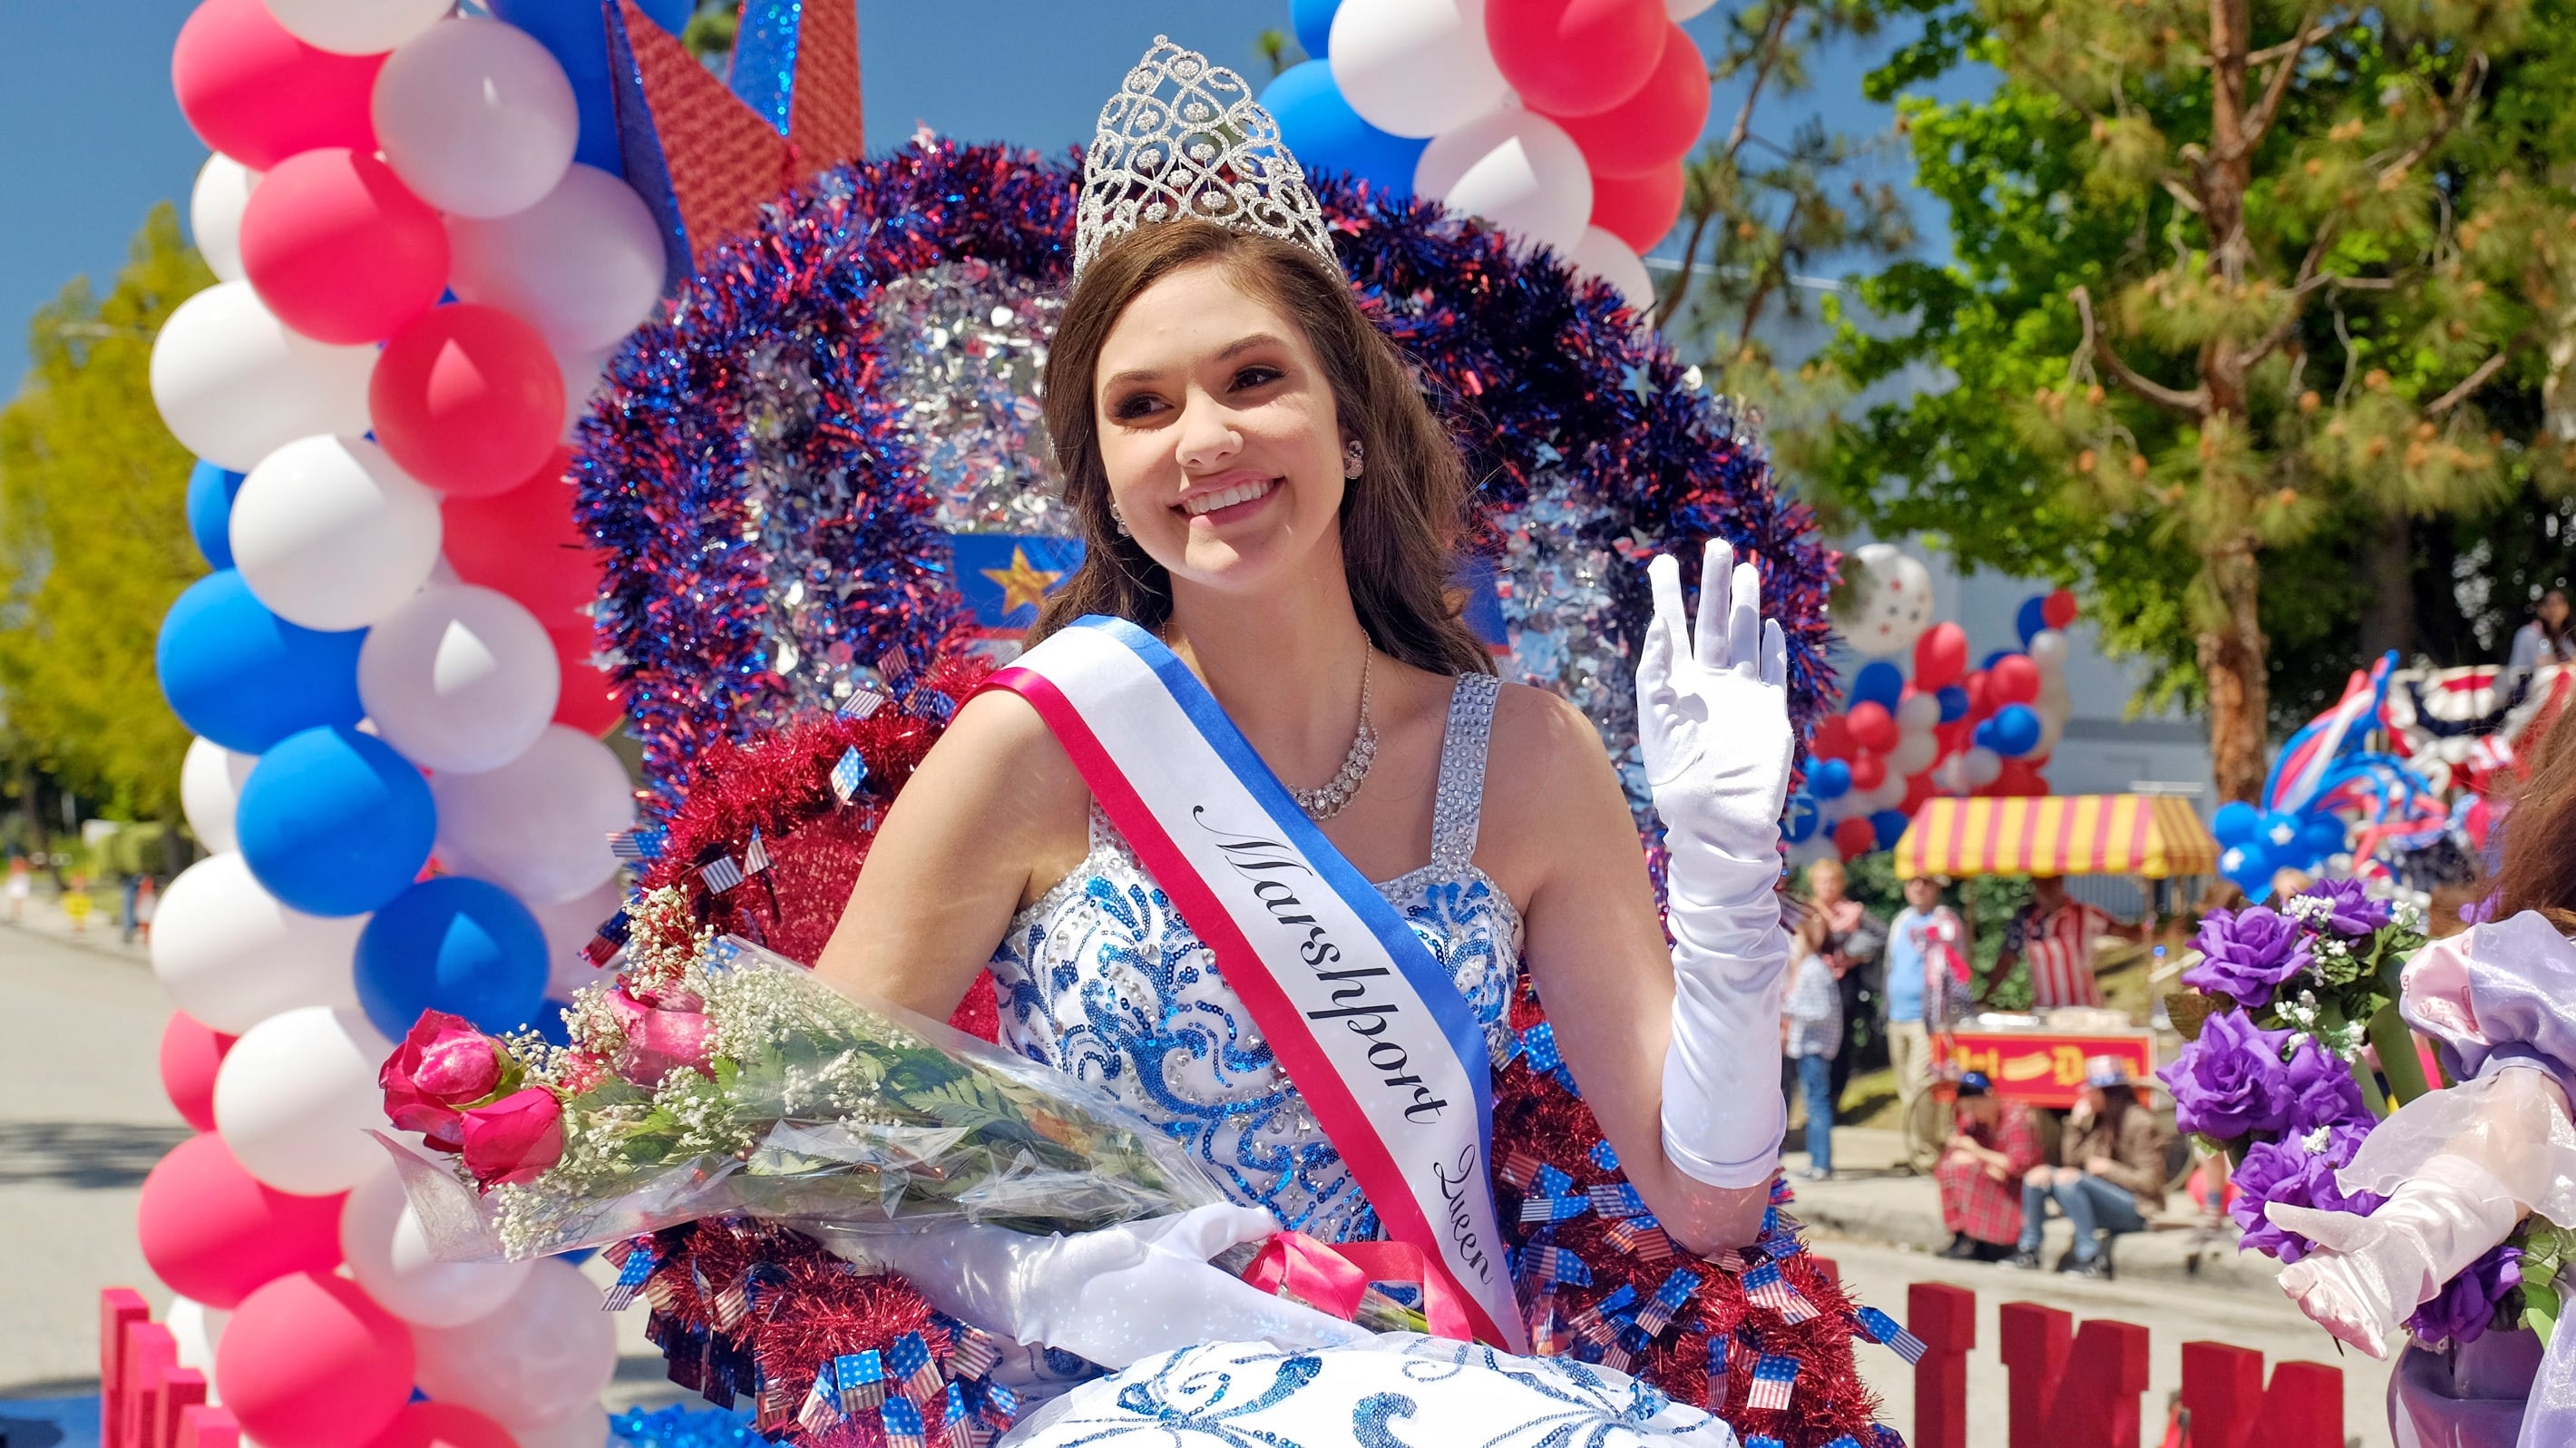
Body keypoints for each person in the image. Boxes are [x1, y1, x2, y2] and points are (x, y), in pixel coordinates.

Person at [809, 37, 1809, 1442]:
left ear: (1350, 427)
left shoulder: (1522, 756)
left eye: (1252, 378)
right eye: (1142, 407)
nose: (1203, 439)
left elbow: (1707, 1205)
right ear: (1105, 482)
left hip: (1441, 1384)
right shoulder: (1029, 746)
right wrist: (1098, 1284)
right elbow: (827, 1148)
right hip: (1120, 1401)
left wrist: (1725, 888)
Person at [2005, 1057, 2168, 1278]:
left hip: (2138, 1208)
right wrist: (2075, 1125)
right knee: (2037, 1176)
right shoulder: (2100, 1120)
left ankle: (2090, 1258)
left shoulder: (2140, 1123)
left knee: (2068, 1179)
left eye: (2092, 1092)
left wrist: (2108, 1168)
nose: (2087, 1098)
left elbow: (2151, 1183)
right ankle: (2029, 1249)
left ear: (2107, 1093)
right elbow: (2072, 1163)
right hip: (2103, 1199)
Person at [1884, 872, 1968, 1169]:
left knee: (1922, 1084)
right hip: (1898, 1016)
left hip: (1928, 1019)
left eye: (1926, 882)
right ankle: (1919, 1149)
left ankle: (1929, 1153)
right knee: (1906, 1087)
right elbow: (1891, 965)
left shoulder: (1945, 921)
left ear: (1937, 888)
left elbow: (1955, 967)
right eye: (1913, 882)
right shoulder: (1901, 920)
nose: (1918, 888)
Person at [1802, 856, 1887, 1110]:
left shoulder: (1854, 912)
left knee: (1841, 1042)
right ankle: (1812, 1102)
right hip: (1811, 986)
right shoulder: (1805, 910)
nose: (1827, 886)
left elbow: (1883, 933)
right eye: (1822, 881)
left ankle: (1834, 1098)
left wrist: (1858, 952)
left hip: (1844, 984)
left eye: (1832, 881)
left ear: (1841, 884)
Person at [1935, 1071, 2042, 1261]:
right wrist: (1985, 1161)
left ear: (1991, 1095)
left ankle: (1983, 1239)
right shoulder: (1972, 1122)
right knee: (1948, 1167)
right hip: (1993, 1175)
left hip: (2019, 1188)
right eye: (1967, 1108)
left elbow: (2017, 1166)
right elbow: (1957, 1152)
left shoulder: (2016, 1119)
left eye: (1976, 1105)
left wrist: (1978, 1153)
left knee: (1965, 1170)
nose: (1972, 1113)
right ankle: (1962, 1234)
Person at [1996, 875, 2133, 1010]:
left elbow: (2125, 932)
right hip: (2045, 1011)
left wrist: (2148, 932)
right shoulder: (2025, 920)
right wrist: (1984, 999)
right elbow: (2007, 959)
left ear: (2060, 882)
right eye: (2041, 884)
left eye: (2051, 883)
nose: (2047, 890)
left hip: (2085, 1010)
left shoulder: (2086, 915)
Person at [1783, 908, 1844, 1179]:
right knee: (1812, 1104)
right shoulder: (1809, 968)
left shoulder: (1813, 970)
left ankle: (1821, 1164)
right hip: (1808, 1046)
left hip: (1815, 1048)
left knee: (1816, 1104)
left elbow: (1821, 1011)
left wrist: (1788, 1009)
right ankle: (1817, 1162)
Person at [2507, 587, 2573, 670]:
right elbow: (2544, 665)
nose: (2557, 608)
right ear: (2541, 609)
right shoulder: (2530, 633)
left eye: (2561, 602)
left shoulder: (2565, 636)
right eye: (2552, 603)